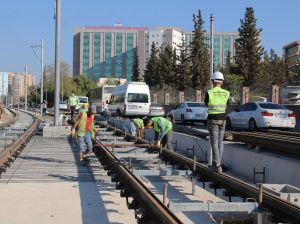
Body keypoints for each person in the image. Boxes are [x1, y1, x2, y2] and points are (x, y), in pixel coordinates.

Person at [204, 71, 230, 173]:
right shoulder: (226, 93)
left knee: (214, 141)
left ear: (212, 81)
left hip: (212, 118)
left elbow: (206, 104)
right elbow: (226, 105)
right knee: (220, 141)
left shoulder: (209, 92)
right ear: (222, 82)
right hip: (223, 118)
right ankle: (218, 163)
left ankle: (217, 164)